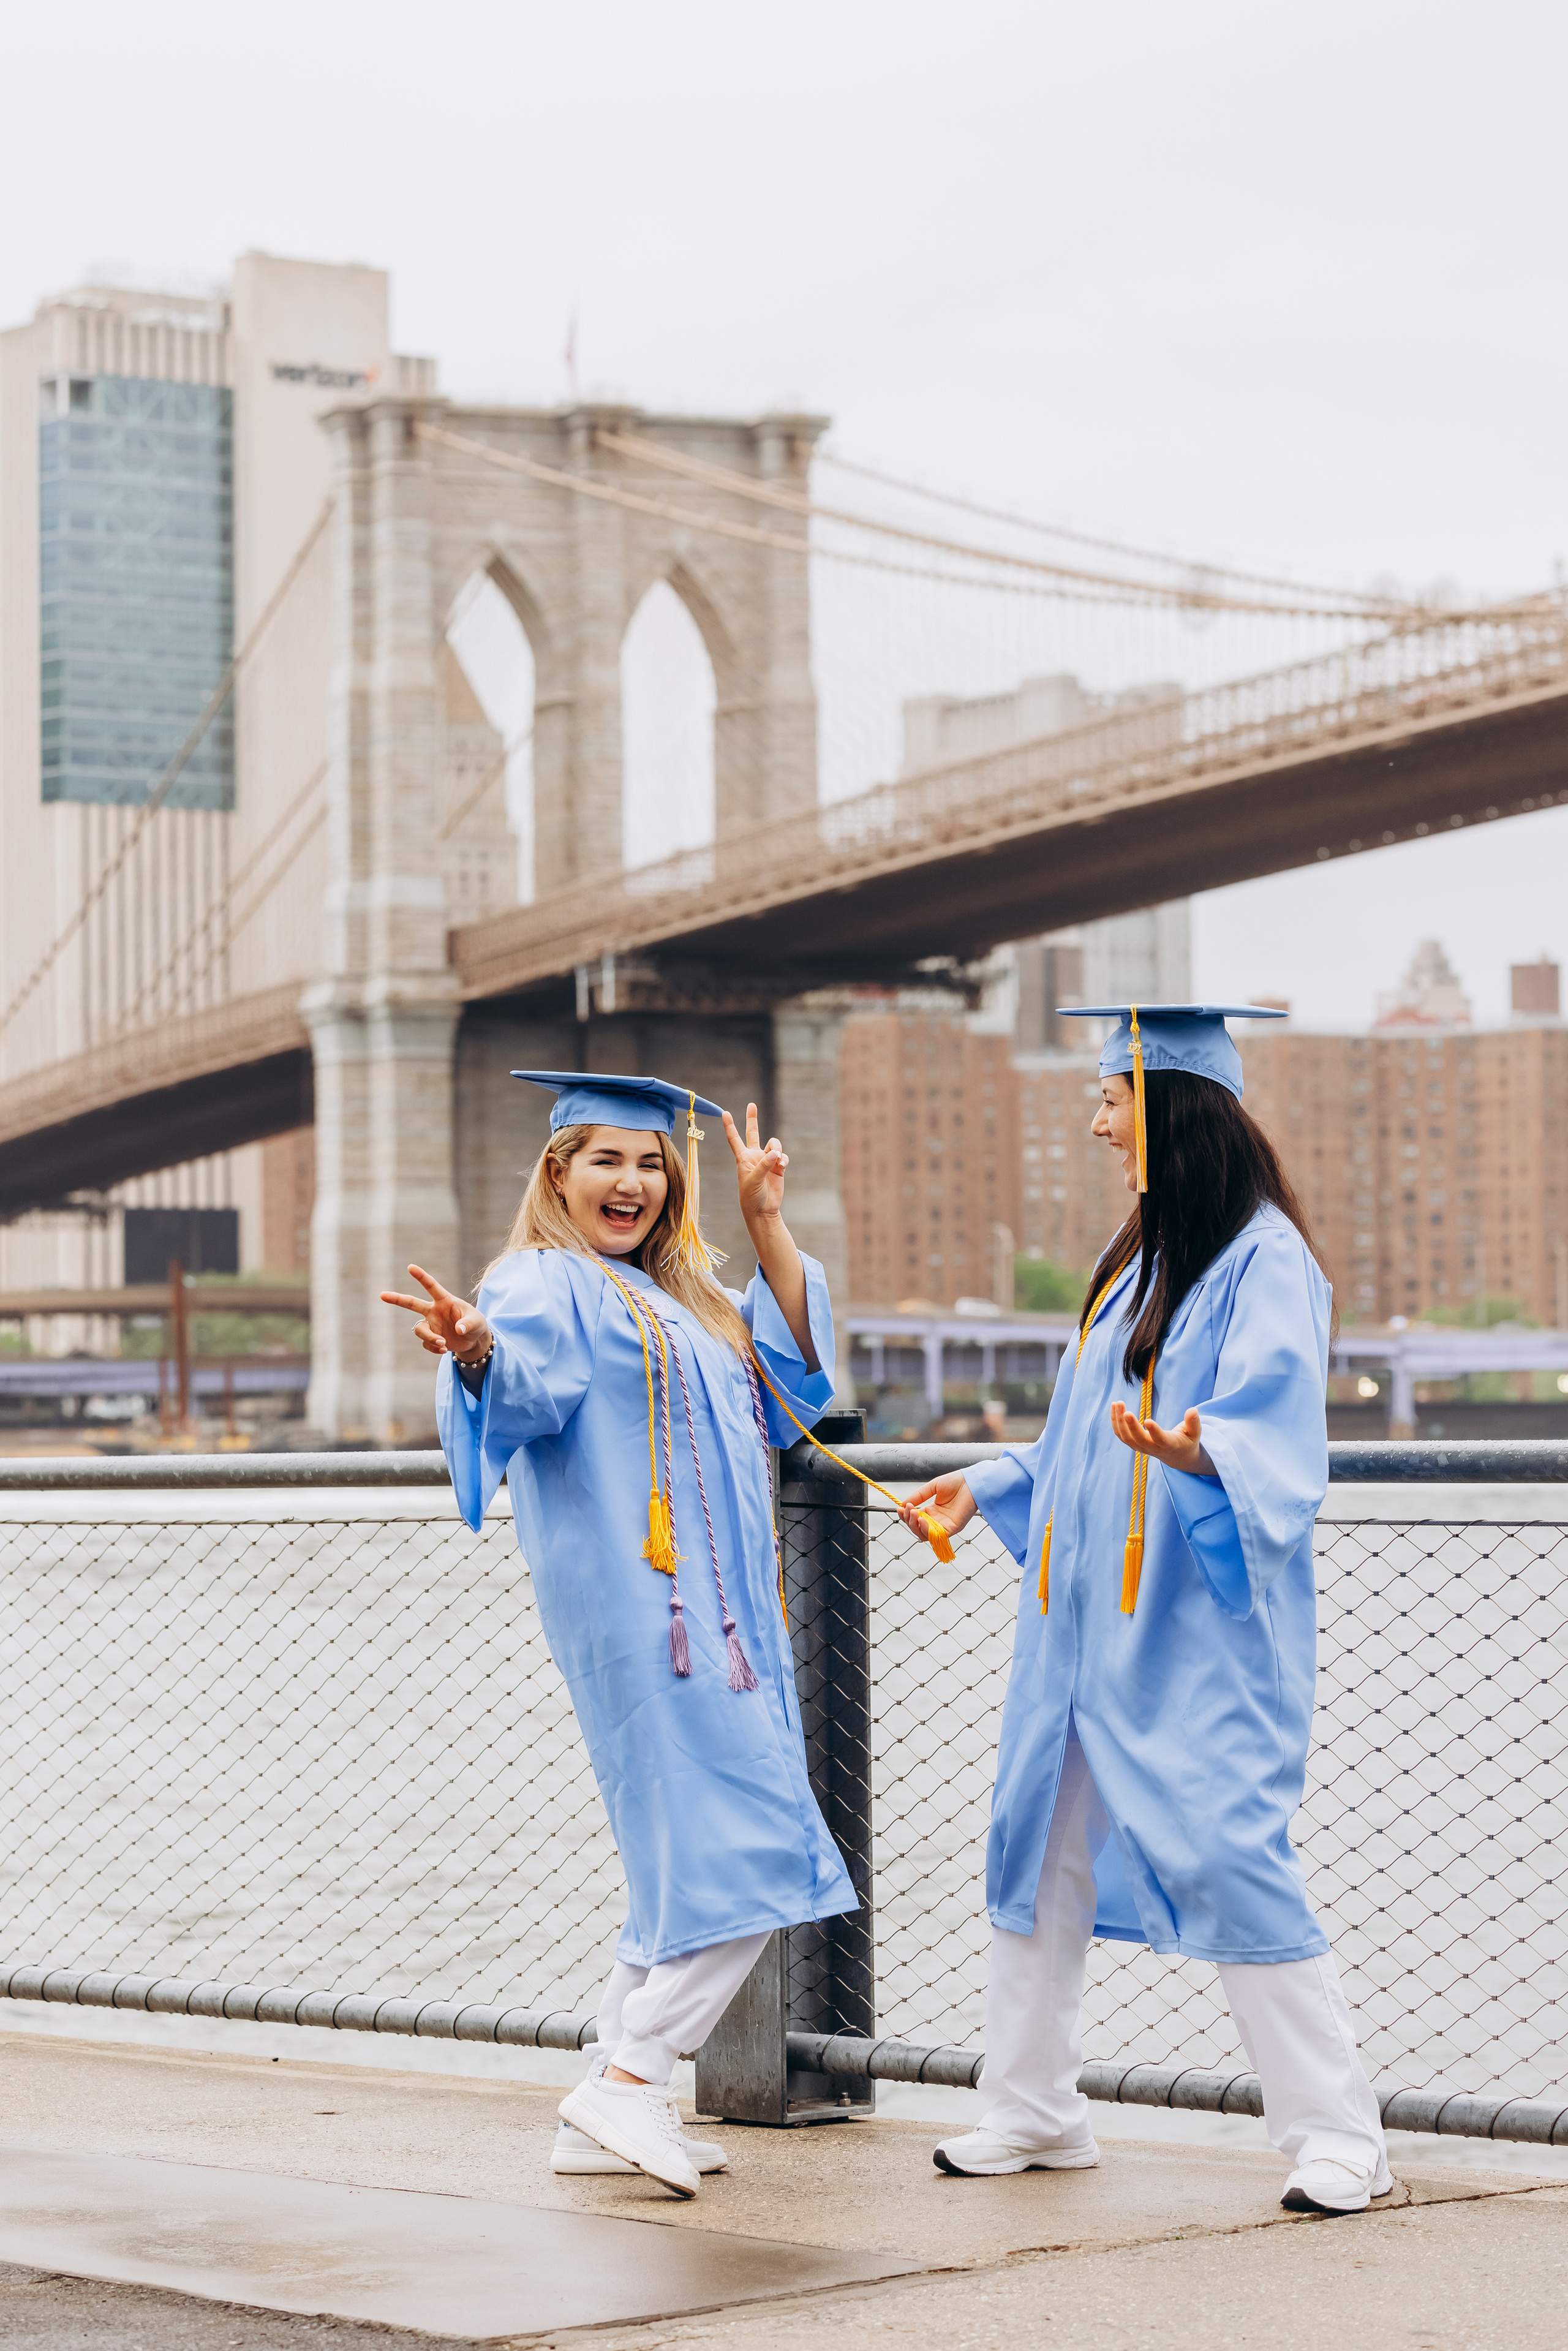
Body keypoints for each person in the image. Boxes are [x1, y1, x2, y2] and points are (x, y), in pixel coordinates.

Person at [900, 1004, 1390, 2217]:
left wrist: (1198, 1450)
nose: (1094, 1114)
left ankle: (1339, 2136)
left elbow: (1271, 1423)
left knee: (1229, 1849)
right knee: (1036, 1846)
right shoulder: (1136, 1258)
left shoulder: (1262, 1258)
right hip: (1076, 1624)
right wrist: (987, 1483)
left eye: (1111, 1093)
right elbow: (1079, 1443)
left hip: (1190, 1626)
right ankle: (1031, 2107)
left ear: (1172, 1106)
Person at [381, 1071, 854, 2200]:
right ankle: (637, 2073)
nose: (633, 1183)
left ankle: (601, 2092)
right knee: (760, 1852)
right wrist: (475, 1348)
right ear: (558, 1174)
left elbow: (797, 1385)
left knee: (677, 1863)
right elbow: (529, 1385)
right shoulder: (544, 1280)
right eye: (606, 1161)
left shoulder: (686, 1294)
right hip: (652, 1614)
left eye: (651, 1165)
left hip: (725, 1616)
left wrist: (767, 1222)